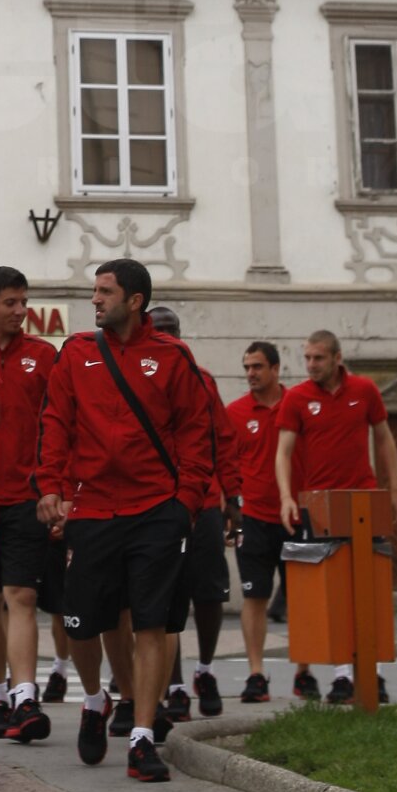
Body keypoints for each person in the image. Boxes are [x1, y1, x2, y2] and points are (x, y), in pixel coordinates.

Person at [36, 259, 212, 784]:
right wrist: (50, 487)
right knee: (82, 621)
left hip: (156, 510)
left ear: (135, 301)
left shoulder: (173, 357)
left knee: (151, 621)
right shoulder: (77, 353)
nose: (95, 300)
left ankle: (141, 736)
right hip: (92, 508)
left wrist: (184, 504)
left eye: (106, 292)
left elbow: (196, 434)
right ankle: (95, 699)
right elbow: (56, 422)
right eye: (94, 291)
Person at [276, 328, 397, 704]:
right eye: (307, 358)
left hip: (364, 499)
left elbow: (384, 438)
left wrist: (395, 490)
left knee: (370, 588)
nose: (311, 365)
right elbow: (283, 452)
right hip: (320, 504)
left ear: (337, 358)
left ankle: (372, 673)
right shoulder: (297, 397)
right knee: (334, 591)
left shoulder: (364, 390)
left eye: (318, 358)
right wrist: (286, 497)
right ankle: (343, 676)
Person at [0, 266, 58, 744]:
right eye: (10, 302)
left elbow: (58, 424)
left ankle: (26, 696)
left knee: (21, 595)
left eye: (24, 302)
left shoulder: (43, 355)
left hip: (27, 495)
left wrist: (54, 486)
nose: (20, 311)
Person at [147, 304, 240, 723]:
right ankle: (175, 686)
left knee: (209, 591)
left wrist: (233, 497)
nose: (169, 336)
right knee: (167, 597)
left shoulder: (202, 379)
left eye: (174, 329)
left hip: (204, 503)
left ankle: (204, 669)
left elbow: (223, 438)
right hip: (159, 505)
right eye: (160, 329)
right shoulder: (137, 378)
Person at [227, 341, 291, 701]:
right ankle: (256, 674)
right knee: (255, 596)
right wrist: (230, 512)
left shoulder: (296, 405)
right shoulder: (235, 413)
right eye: (247, 367)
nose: (250, 373)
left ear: (275, 369)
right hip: (252, 519)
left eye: (257, 367)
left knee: (302, 598)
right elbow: (225, 465)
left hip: (294, 516)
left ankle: (304, 672)